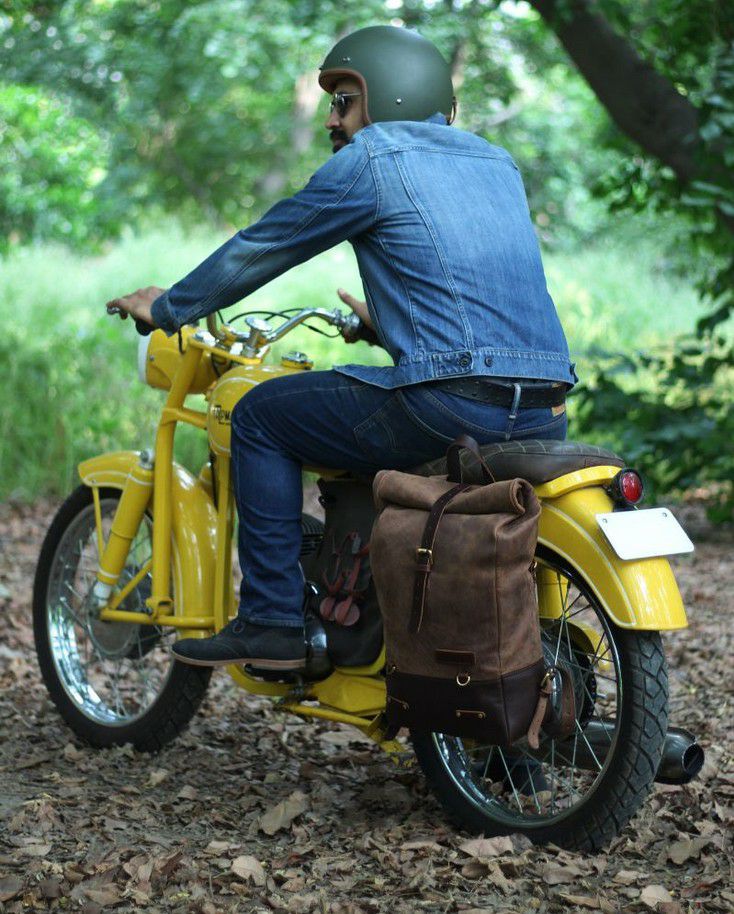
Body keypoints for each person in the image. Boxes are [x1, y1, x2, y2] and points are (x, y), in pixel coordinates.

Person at [105, 25, 576, 671]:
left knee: (260, 415)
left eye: (344, 101)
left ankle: (271, 621)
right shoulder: (496, 163)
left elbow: (268, 244)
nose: (333, 119)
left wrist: (167, 307)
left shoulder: (374, 159)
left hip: (451, 404)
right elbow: (482, 291)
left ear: (389, 95)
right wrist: (388, 328)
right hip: (547, 407)